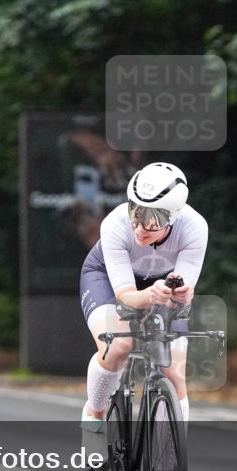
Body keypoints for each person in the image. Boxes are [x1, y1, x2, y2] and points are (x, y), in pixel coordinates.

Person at [78, 162, 207, 431]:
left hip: (159, 287)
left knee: (173, 370)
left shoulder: (194, 227)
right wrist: (150, 294)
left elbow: (181, 296)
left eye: (153, 219)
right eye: (135, 210)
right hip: (107, 277)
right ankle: (94, 414)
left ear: (173, 217)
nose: (140, 226)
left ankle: (169, 452)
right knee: (117, 347)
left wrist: (180, 294)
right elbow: (125, 297)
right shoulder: (115, 223)